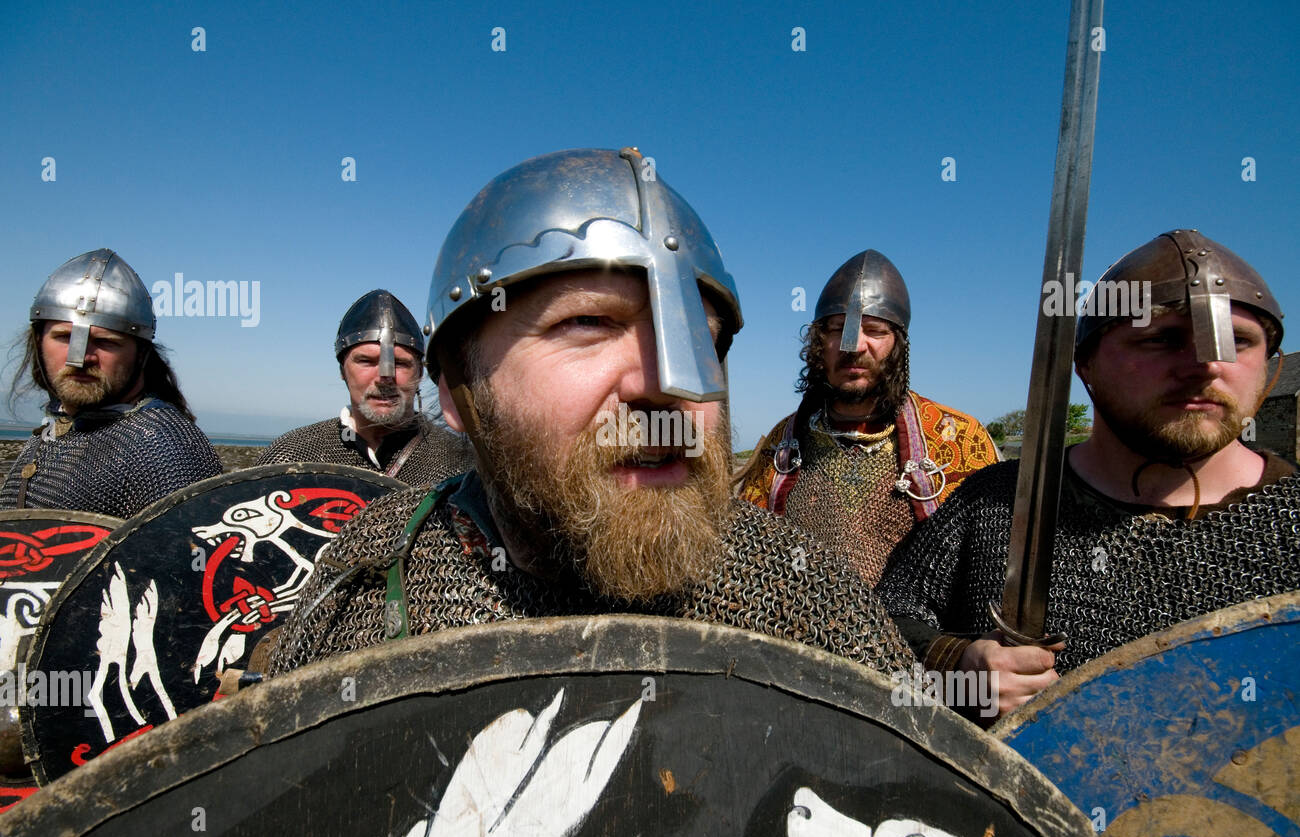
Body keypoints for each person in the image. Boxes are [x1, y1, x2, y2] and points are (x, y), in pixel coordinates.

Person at [267, 148, 915, 679]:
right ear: (460, 392)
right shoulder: (372, 577)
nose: (669, 387)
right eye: (588, 323)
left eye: (699, 338)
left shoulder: (807, 597)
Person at [877, 229, 1299, 718]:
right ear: (1086, 365)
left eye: (1239, 341)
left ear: (1270, 362)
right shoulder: (997, 499)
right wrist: (955, 667)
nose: (1205, 365)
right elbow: (882, 620)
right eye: (1163, 339)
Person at [735, 250, 999, 584]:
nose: (854, 346)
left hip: (914, 634)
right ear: (817, 341)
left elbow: (987, 571)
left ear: (899, 345)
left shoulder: (956, 438)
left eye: (873, 331)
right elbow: (750, 560)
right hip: (799, 630)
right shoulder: (781, 445)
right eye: (837, 330)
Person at [1, 248, 221, 518]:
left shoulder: (166, 449)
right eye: (63, 337)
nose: (80, 358)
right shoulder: (58, 427)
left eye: (105, 342)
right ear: (38, 342)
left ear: (141, 354)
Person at [256, 289, 473, 484]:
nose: (384, 377)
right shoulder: (292, 455)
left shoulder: (461, 462)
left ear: (420, 372)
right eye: (366, 361)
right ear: (343, 370)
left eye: (400, 363)